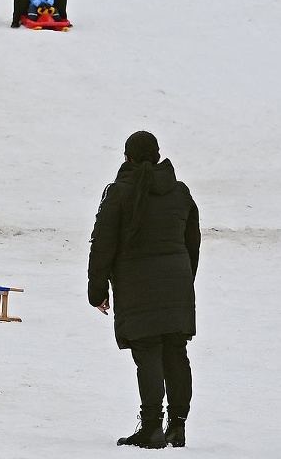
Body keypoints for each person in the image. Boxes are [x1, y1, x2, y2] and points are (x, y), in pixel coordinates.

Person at [88, 131, 200, 449]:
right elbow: (193, 242)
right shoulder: (180, 192)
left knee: (148, 352)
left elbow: (102, 244)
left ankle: (151, 428)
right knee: (176, 352)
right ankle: (176, 427)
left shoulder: (118, 192)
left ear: (127, 158)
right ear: (158, 155)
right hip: (177, 286)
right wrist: (183, 281)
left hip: (137, 288)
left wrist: (97, 290)